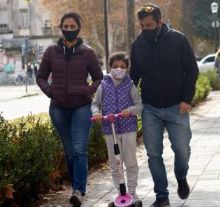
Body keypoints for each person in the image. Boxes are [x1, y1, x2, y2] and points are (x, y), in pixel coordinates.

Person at [130, 4, 198, 207]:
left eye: (149, 25)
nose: (145, 29)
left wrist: (186, 99)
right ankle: (162, 197)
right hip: (150, 107)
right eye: (142, 26)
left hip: (177, 106)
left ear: (160, 22)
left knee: (182, 149)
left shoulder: (178, 40)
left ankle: (181, 175)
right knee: (153, 154)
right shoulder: (138, 45)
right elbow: (134, 77)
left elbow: (192, 71)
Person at [36, 12, 103, 206]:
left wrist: (87, 91)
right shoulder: (51, 52)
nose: (69, 30)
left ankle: (78, 191)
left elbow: (99, 78)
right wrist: (50, 92)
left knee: (79, 150)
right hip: (58, 109)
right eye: (66, 26)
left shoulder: (87, 52)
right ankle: (76, 188)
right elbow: (41, 76)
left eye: (73, 27)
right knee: (69, 152)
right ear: (61, 27)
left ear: (79, 29)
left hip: (81, 107)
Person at [91, 52, 142, 202]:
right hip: (109, 129)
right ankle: (121, 192)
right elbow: (95, 104)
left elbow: (140, 105)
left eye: (122, 67)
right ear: (109, 68)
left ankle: (132, 192)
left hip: (128, 129)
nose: (118, 69)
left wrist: (130, 111)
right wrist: (97, 113)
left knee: (130, 161)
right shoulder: (103, 85)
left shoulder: (130, 85)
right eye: (115, 66)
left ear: (127, 68)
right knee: (115, 163)